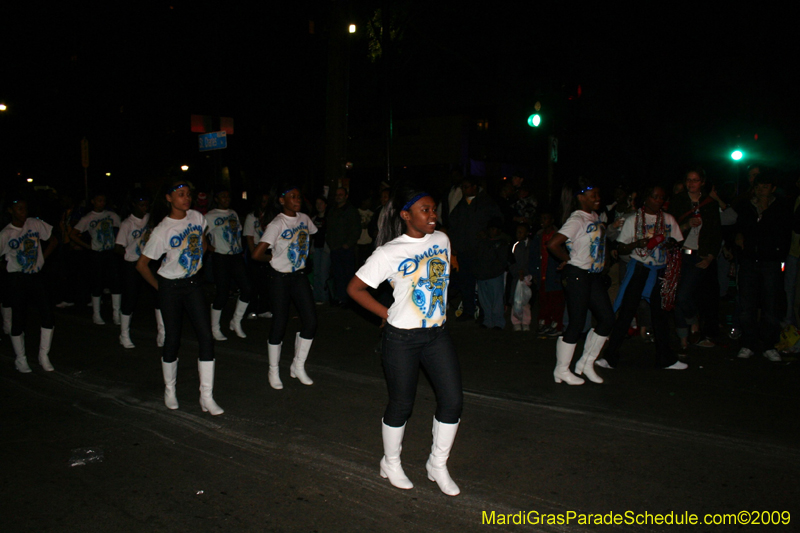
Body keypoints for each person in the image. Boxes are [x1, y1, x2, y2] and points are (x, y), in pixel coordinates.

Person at [347, 184, 463, 496]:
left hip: (436, 334)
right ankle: (391, 461)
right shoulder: (389, 252)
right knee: (402, 403)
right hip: (402, 339)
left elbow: (441, 276)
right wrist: (386, 313)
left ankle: (437, 465)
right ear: (406, 215)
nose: (432, 215)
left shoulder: (442, 239)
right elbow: (354, 289)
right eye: (425, 210)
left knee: (453, 400)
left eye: (434, 209)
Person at [136, 180, 223, 415]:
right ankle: (170, 390)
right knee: (172, 338)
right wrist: (159, 287)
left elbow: (203, 242)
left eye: (188, 194)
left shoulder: (196, 217)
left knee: (206, 337)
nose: (186, 198)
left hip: (193, 283)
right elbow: (142, 265)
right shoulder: (162, 230)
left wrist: (197, 260)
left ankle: (207, 396)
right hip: (170, 286)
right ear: (168, 198)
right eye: (180, 194)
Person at [597, 186, 687, 371]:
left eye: (661, 197)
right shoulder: (633, 219)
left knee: (660, 316)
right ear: (646, 198)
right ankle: (610, 357)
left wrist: (669, 243)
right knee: (626, 313)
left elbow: (677, 241)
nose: (658, 200)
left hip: (659, 271)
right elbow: (621, 248)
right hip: (639, 269)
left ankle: (666, 359)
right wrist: (637, 244)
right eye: (654, 197)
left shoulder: (668, 219)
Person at [546, 179, 615, 385]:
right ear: (581, 197)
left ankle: (585, 362)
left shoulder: (594, 216)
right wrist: (568, 261)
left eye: (598, 194)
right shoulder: (576, 219)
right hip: (577, 274)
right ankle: (562, 370)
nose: (597, 198)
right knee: (576, 322)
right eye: (593, 195)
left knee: (607, 318)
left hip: (592, 275)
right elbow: (553, 244)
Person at [252, 186, 318, 390]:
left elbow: (312, 234)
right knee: (280, 322)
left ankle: (297, 366)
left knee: (311, 321)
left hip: (298, 275)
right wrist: (274, 257)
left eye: (299, 196)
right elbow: (257, 254)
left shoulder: (305, 219)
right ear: (282, 201)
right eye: (292, 197)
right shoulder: (277, 223)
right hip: (279, 277)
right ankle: (273, 370)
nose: (297, 199)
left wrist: (302, 255)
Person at [733, 172, 792, 362]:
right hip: (749, 260)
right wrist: (738, 239)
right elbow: (738, 227)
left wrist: (765, 210)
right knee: (747, 305)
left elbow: (781, 232)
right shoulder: (746, 205)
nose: (760, 190)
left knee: (770, 304)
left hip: (770, 261)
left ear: (773, 188)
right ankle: (748, 343)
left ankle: (769, 344)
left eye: (765, 186)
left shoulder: (781, 207)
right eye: (758, 186)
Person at [0, 196, 58, 373]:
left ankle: (43, 355)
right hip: (17, 278)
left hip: (36, 275)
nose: (23, 212)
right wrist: (7, 270)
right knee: (18, 319)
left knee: (47, 314)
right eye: (19, 209)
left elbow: (54, 240)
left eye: (25, 208)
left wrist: (42, 259)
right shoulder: (6, 234)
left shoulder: (34, 224)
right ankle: (21, 358)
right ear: (10, 211)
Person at [667, 168, 722, 351]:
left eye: (695, 180)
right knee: (676, 296)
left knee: (683, 295)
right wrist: (686, 224)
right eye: (688, 180)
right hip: (680, 254)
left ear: (702, 182)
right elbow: (670, 231)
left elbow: (716, 233)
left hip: (699, 256)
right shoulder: (679, 201)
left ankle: (693, 322)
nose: (691, 183)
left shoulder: (709, 203)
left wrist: (710, 257)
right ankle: (683, 338)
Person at [115, 190, 164, 349]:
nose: (145, 208)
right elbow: (118, 247)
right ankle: (124, 334)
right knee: (130, 299)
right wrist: (130, 255)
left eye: (146, 205)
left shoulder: (149, 219)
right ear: (134, 206)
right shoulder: (127, 224)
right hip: (132, 265)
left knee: (158, 294)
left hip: (148, 263)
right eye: (141, 205)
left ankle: (162, 333)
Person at [205, 190, 251, 340]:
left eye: (228, 195)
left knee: (247, 289)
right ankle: (215, 327)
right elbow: (199, 235)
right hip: (221, 258)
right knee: (222, 293)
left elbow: (237, 233)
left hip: (236, 256)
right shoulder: (209, 216)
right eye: (223, 196)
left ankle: (236, 321)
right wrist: (211, 249)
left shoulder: (233, 213)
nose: (226, 198)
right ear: (216, 198)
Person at [71, 191, 122, 325]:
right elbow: (73, 234)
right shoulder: (87, 218)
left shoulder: (111, 215)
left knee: (115, 283)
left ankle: (116, 314)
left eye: (103, 200)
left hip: (110, 252)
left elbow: (122, 229)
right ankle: (96, 314)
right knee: (97, 283)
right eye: (99, 200)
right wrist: (88, 246)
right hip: (97, 253)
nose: (102, 203)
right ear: (93, 201)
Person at [325, 187, 361, 306]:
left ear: (346, 196)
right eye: (337, 194)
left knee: (348, 274)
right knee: (337, 274)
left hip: (346, 249)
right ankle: (341, 297)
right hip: (334, 248)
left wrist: (348, 244)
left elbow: (356, 229)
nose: (338, 196)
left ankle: (350, 299)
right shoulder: (332, 210)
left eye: (341, 194)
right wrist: (330, 243)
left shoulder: (351, 211)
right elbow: (328, 228)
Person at [243, 192, 273, 319]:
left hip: (268, 249)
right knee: (254, 282)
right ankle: (252, 308)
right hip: (255, 248)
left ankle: (264, 308)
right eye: (262, 201)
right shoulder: (251, 217)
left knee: (266, 282)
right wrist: (253, 254)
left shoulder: (271, 216)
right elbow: (249, 237)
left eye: (266, 201)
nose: (264, 204)